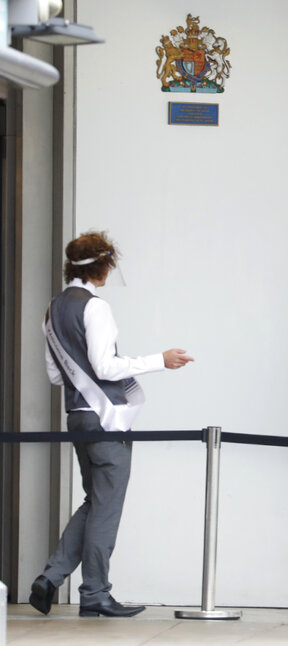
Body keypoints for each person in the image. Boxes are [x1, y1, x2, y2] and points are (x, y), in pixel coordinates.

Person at [30, 232, 194, 618]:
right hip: (106, 419)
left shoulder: (52, 310)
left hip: (77, 418)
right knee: (106, 509)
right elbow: (105, 367)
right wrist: (159, 359)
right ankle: (94, 593)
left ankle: (50, 579)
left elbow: (56, 377)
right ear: (101, 266)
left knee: (95, 502)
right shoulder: (96, 307)